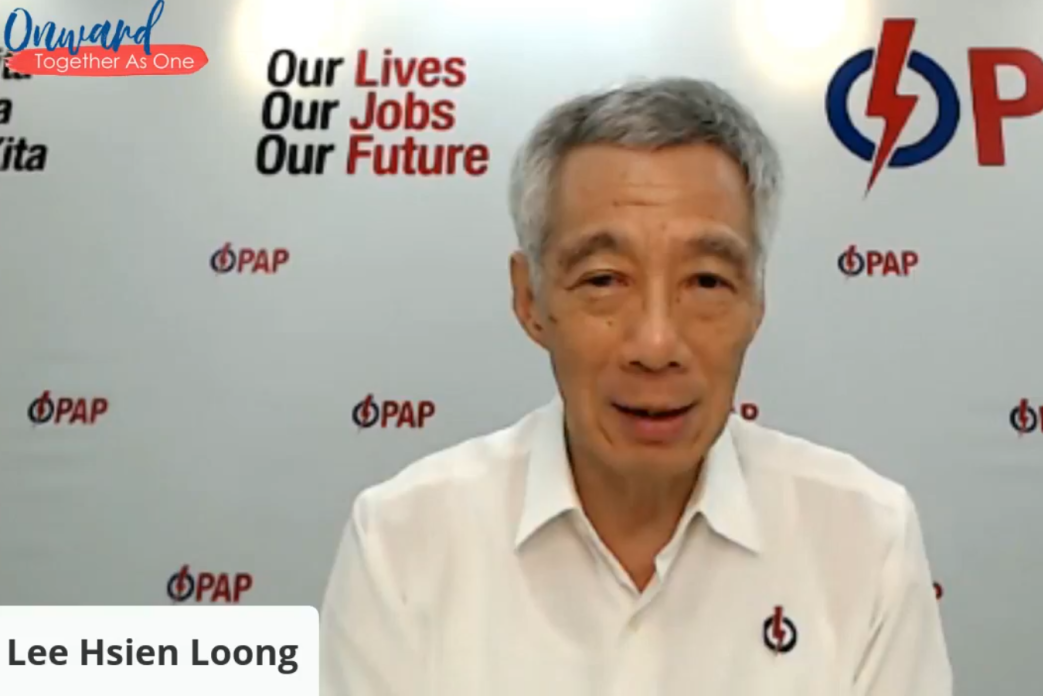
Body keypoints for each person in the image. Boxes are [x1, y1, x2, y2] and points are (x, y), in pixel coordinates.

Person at [319, 77, 953, 695]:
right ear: (529, 299)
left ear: (757, 299)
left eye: (705, 282)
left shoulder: (864, 538)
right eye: (603, 280)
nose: (656, 346)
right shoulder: (403, 540)